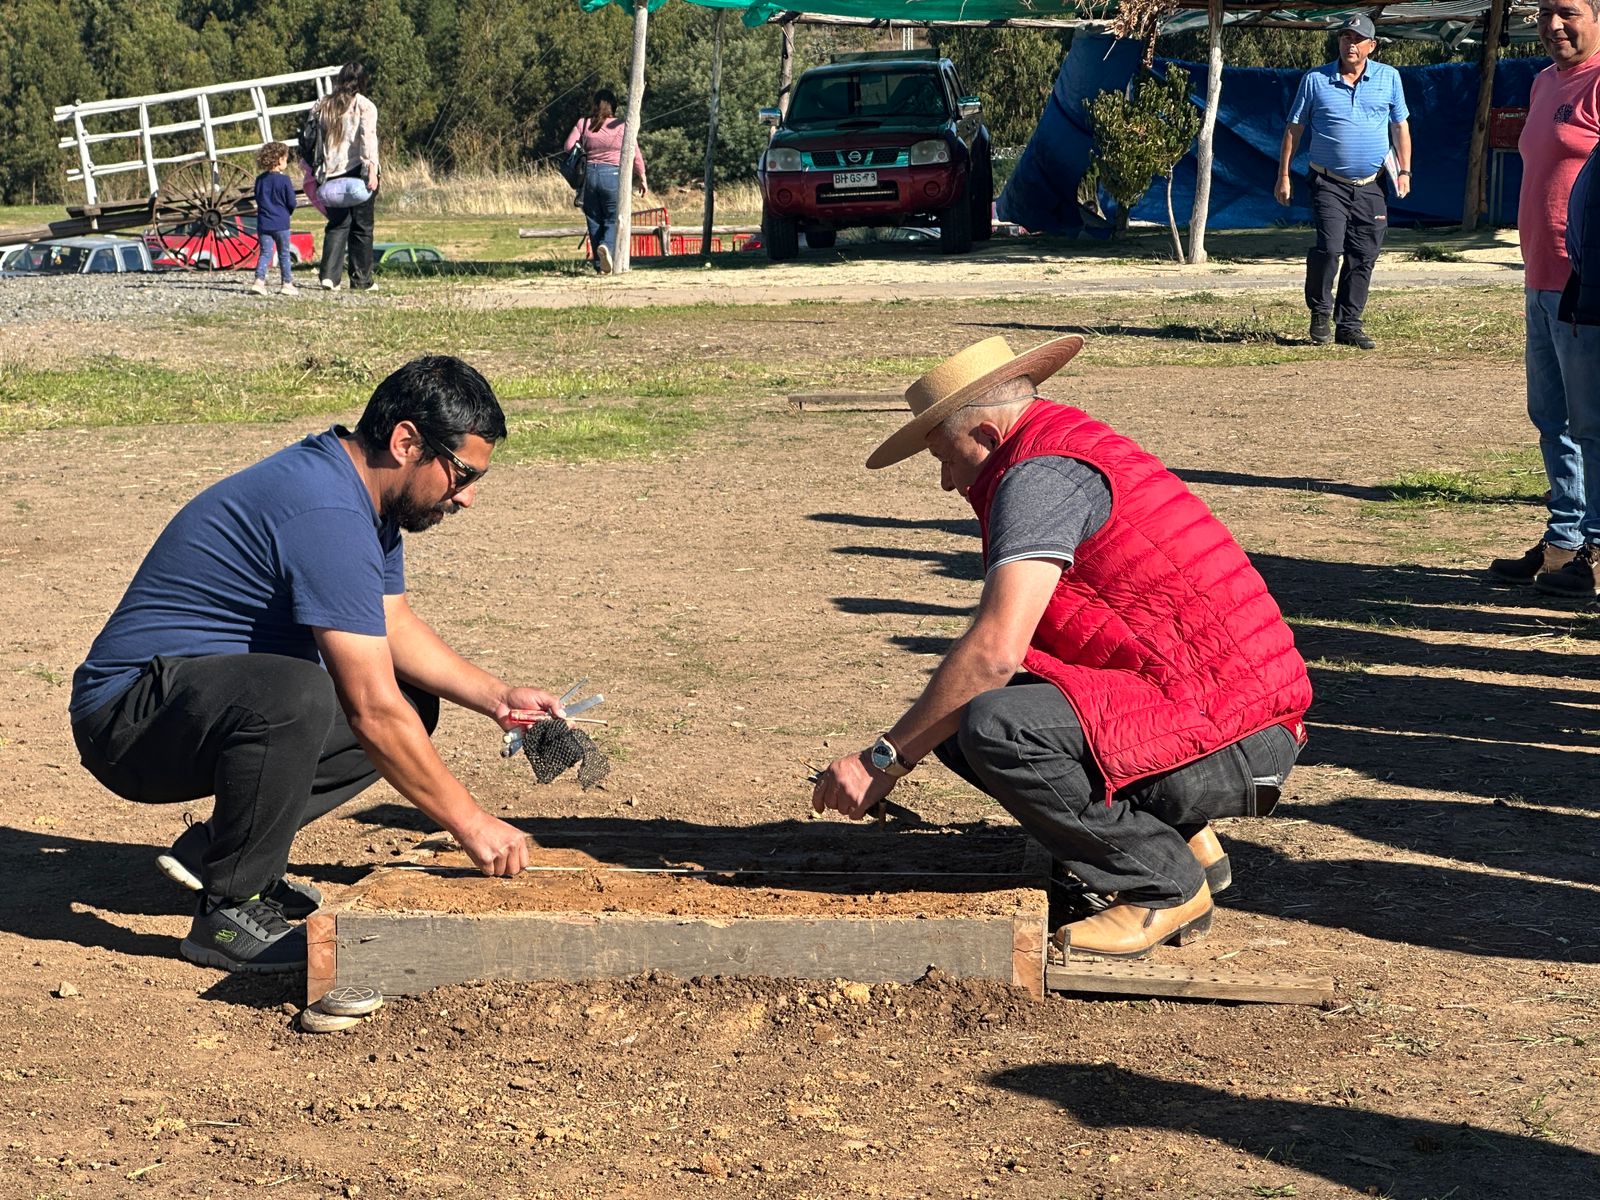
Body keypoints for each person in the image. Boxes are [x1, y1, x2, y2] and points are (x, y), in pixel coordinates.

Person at [811, 336, 1312, 960]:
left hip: (1235, 736)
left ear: (990, 438)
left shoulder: (1036, 479)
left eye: (946, 458)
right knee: (960, 721)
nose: (945, 482)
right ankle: (1181, 838)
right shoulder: (1060, 446)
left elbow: (994, 652)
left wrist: (879, 762)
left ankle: (1161, 883)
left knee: (995, 726)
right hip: (1222, 711)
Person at [69, 357, 569, 973]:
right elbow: (368, 708)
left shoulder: (364, 498)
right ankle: (228, 912)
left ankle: (220, 855)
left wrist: (497, 698)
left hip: (198, 704)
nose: (466, 498)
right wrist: (471, 822)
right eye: (461, 474)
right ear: (406, 441)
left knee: (408, 699)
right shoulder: (325, 510)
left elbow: (392, 626)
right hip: (128, 720)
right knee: (307, 694)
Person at [1490, 0, 1600, 599]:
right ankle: (1563, 542)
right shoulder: (1541, 83)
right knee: (1551, 418)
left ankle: (1597, 548)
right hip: (1539, 277)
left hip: (1588, 288)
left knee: (1593, 424)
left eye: (1568, 11)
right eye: (1543, 14)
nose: (1554, 25)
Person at [1276, 14, 1411, 350]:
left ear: (1371, 46)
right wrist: (1283, 175)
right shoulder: (1315, 80)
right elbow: (1294, 129)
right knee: (1330, 248)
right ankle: (1320, 311)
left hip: (1372, 183)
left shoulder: (1389, 78)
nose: (1350, 44)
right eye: (1345, 38)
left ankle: (1349, 323)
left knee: (1364, 253)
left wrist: (1405, 171)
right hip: (1328, 182)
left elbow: (1399, 127)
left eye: (1357, 39)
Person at [564, 88, 648, 275]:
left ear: (595, 105)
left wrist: (586, 147)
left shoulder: (583, 123)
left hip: (590, 177)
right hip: (613, 176)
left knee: (594, 220)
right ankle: (606, 249)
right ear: (614, 106)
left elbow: (568, 146)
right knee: (613, 218)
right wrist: (642, 176)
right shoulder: (622, 125)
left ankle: (599, 264)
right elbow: (635, 153)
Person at [313, 61, 380, 292]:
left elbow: (311, 137)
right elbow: (367, 139)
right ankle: (361, 279)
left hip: (330, 172)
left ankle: (329, 276)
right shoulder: (365, 106)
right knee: (362, 227)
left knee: (337, 225)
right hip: (357, 171)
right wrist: (371, 169)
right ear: (362, 81)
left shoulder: (323, 105)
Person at [249, 142, 297, 296]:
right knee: (284, 253)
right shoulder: (285, 180)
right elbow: (291, 202)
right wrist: (287, 212)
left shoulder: (260, 180)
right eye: (285, 159)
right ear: (279, 160)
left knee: (265, 253)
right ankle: (287, 283)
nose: (286, 162)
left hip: (264, 223)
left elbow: (258, 197)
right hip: (281, 223)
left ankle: (259, 281)